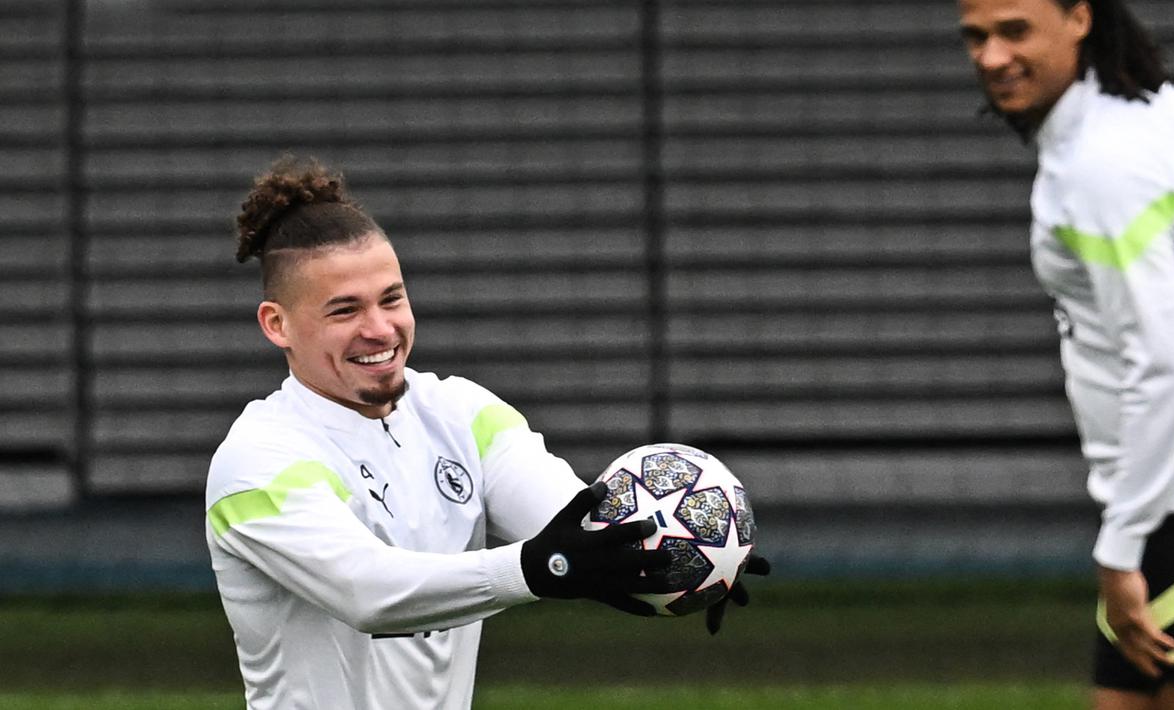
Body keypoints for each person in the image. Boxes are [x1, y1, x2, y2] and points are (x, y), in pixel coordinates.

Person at [205, 158, 767, 709]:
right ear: (277, 324)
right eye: (344, 310)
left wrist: (683, 555)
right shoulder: (258, 461)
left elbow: (577, 528)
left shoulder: (462, 413)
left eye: (392, 298)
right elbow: (368, 592)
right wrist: (540, 569)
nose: (379, 329)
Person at [956, 0, 1174, 708]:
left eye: (1014, 31)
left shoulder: (1099, 171)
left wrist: (1119, 545)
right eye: (975, 36)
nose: (990, 58)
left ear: (1080, 17)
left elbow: (1167, 366)